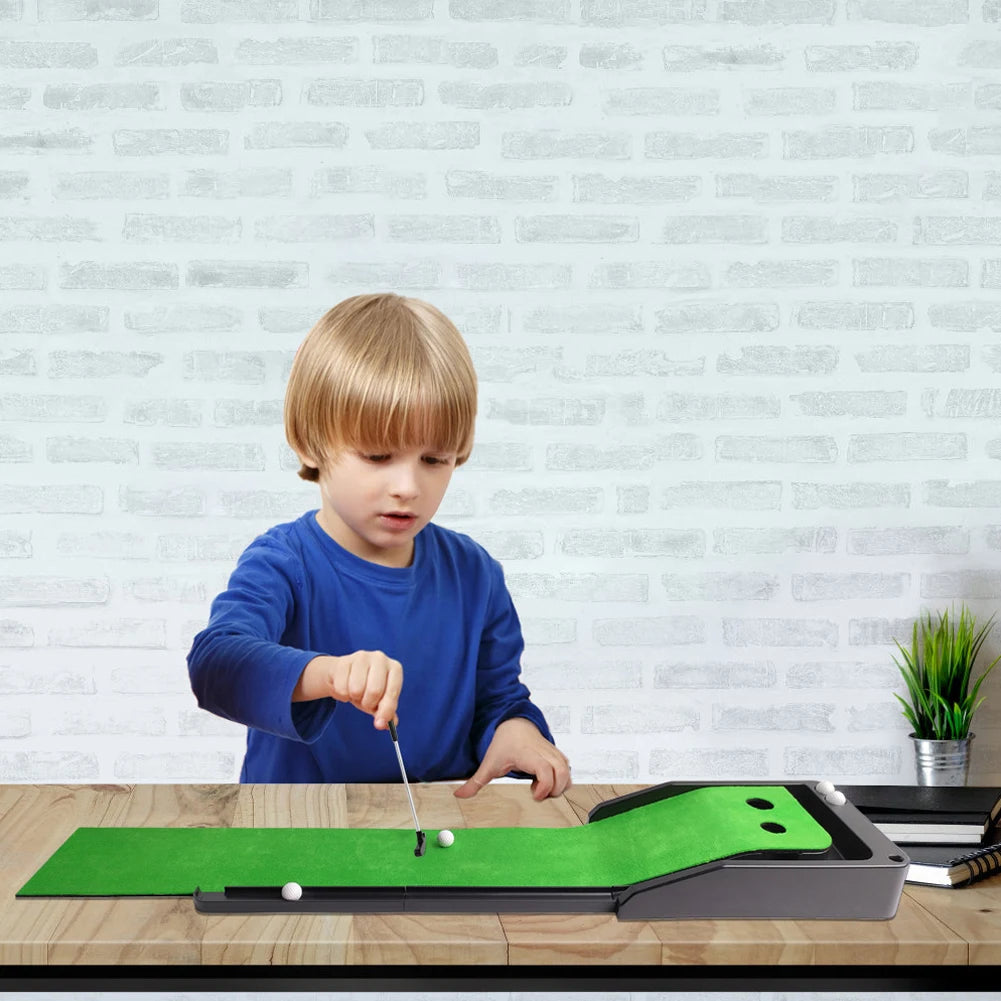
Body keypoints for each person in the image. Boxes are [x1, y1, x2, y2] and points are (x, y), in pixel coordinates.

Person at [187, 292, 571, 801]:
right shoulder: (283, 562)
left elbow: (499, 700)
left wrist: (516, 731)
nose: (408, 486)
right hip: (299, 833)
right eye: (377, 455)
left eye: (435, 460)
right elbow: (216, 667)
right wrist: (329, 674)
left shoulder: (476, 575)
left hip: (436, 835)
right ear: (309, 443)